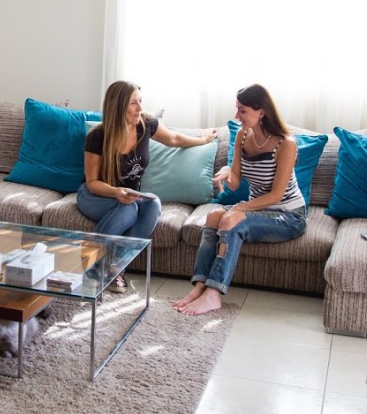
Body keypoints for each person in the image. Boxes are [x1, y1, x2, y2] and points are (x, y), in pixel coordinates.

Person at [176, 84, 306, 316]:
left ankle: (214, 293)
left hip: (288, 215)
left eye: (243, 110)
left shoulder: (286, 143)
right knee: (213, 216)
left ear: (261, 111)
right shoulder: (243, 135)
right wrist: (227, 172)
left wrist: (239, 209)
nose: (237, 116)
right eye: (237, 109)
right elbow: (235, 183)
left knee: (232, 218)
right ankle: (200, 286)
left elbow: (276, 195)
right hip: (256, 209)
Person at [78, 80, 220, 293]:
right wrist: (116, 192)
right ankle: (93, 264)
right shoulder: (97, 136)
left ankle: (114, 267)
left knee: (153, 203)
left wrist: (203, 140)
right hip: (96, 195)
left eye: (140, 101)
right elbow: (92, 183)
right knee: (128, 208)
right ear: (118, 106)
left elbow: (173, 139)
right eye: (133, 103)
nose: (140, 108)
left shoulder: (146, 124)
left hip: (129, 195)